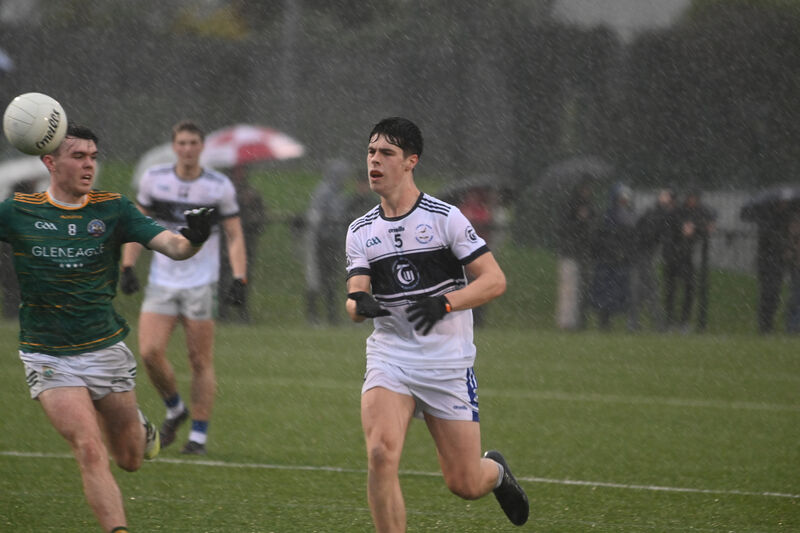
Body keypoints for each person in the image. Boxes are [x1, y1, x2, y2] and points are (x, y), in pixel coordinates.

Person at [0, 123, 214, 532]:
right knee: (89, 448)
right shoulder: (18, 211)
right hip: (48, 354)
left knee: (129, 459)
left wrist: (195, 239)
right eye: (78, 156)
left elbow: (173, 246)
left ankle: (139, 426)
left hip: (104, 349)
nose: (89, 165)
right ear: (50, 162)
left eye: (93, 157)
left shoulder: (113, 209)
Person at [345, 117, 529, 531]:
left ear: (411, 161)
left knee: (465, 483)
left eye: (386, 153)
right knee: (380, 454)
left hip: (447, 363)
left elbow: (494, 281)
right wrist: (360, 305)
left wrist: (444, 303)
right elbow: (355, 297)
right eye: (371, 152)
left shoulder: (446, 218)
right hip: (391, 358)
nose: (374, 161)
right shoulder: (360, 230)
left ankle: (496, 472)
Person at [120, 120, 247, 455]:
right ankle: (175, 408)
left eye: (193, 143)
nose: (188, 149)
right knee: (149, 352)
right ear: (174, 146)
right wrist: (127, 265)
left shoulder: (218, 186)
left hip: (201, 283)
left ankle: (198, 437)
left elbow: (234, 234)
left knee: (199, 360)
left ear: (202, 147)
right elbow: (137, 223)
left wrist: (239, 278)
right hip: (162, 280)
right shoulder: (154, 179)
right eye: (182, 143)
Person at [304, 158, 354, 325]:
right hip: (320, 242)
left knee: (331, 279)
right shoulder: (323, 192)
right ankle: (313, 316)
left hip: (333, 242)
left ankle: (332, 316)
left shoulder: (339, 194)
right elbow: (315, 217)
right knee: (317, 278)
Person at [218, 164, 267, 323]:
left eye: (241, 171)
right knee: (224, 276)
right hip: (224, 241)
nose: (239, 175)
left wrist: (252, 219)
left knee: (243, 276)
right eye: (235, 171)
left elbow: (261, 218)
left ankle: (242, 311)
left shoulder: (252, 194)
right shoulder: (221, 193)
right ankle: (223, 311)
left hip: (246, 241)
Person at [662, 189, 715, 332]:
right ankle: (669, 320)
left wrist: (696, 227)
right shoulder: (678, 211)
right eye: (691, 198)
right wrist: (683, 228)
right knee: (671, 290)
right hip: (673, 255)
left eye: (695, 199)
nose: (692, 201)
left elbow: (706, 223)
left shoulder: (699, 212)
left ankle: (684, 321)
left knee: (689, 289)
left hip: (686, 256)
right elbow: (671, 226)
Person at [589, 183, 637, 330]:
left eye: (625, 199)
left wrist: (625, 252)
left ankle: (612, 319)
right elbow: (599, 237)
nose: (624, 201)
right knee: (604, 290)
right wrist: (610, 250)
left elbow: (631, 238)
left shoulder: (628, 216)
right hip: (607, 259)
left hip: (620, 260)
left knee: (617, 290)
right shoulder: (607, 216)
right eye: (621, 198)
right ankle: (604, 320)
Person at [628, 187, 676, 331]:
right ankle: (654, 324)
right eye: (663, 195)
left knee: (644, 290)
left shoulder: (662, 214)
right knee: (649, 290)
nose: (663, 197)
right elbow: (642, 230)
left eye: (666, 196)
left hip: (646, 254)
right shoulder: (655, 213)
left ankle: (637, 323)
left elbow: (660, 235)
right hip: (643, 254)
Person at [556, 175, 597, 330]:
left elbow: (593, 226)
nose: (587, 191)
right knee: (569, 289)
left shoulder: (590, 206)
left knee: (583, 288)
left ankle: (581, 320)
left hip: (584, 251)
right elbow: (563, 228)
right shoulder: (569, 205)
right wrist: (578, 220)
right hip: (570, 252)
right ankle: (567, 322)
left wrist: (586, 220)